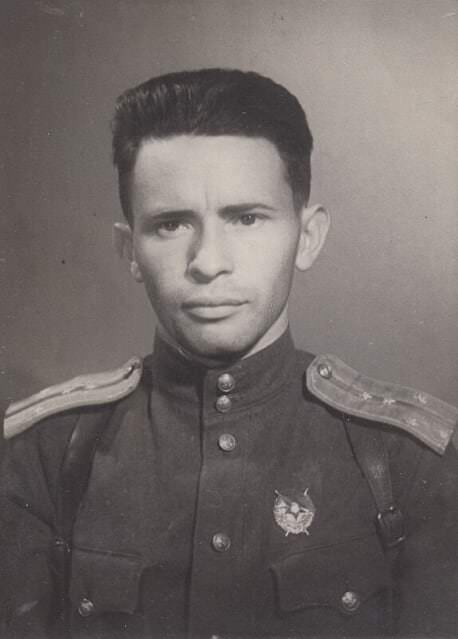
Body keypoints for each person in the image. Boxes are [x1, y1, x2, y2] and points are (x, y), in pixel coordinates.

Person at [1, 68, 457, 639]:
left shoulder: (408, 462)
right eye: (171, 224)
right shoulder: (43, 457)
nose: (209, 262)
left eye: (246, 218)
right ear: (130, 249)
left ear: (307, 236)